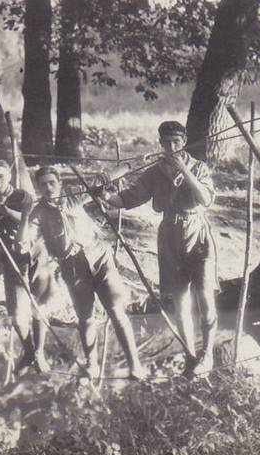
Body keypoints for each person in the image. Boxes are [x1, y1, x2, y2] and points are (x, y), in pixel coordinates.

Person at [96, 121, 218, 377]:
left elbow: (205, 199)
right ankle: (190, 356)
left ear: (184, 141)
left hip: (198, 234)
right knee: (180, 302)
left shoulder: (198, 167)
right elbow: (127, 199)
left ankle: (208, 354)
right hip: (169, 236)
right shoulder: (154, 172)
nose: (171, 147)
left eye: (176, 141)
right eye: (166, 142)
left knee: (206, 299)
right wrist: (106, 197)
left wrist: (185, 170)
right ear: (160, 143)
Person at [24, 166, 147, 380]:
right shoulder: (39, 212)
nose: (48, 188)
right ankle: (92, 365)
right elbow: (26, 238)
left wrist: (128, 166)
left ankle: (134, 365)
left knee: (117, 311)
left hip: (99, 259)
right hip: (72, 268)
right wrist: (24, 217)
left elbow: (101, 177)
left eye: (52, 182)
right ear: (38, 187)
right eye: (42, 184)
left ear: (60, 183)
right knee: (86, 318)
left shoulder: (73, 195)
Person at [0, 159, 56, 374]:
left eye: (1, 176)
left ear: (10, 176)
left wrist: (3, 210)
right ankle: (29, 351)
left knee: (39, 307)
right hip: (10, 259)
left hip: (34, 254)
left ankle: (39, 353)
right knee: (15, 313)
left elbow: (28, 219)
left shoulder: (22, 196)